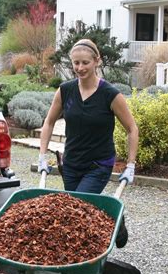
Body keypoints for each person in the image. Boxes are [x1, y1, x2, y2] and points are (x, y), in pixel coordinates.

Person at [38, 38, 139, 247]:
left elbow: (132, 128)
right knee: (79, 209)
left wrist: (130, 165)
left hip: (98, 164)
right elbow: (48, 122)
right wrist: (42, 155)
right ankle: (110, 221)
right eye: (76, 63)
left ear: (97, 62)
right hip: (71, 164)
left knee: (77, 206)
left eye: (85, 62)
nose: (80, 68)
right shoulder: (65, 91)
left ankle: (108, 225)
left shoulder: (110, 94)